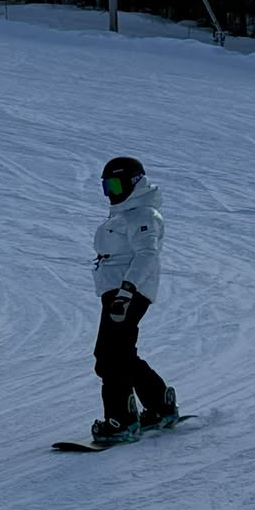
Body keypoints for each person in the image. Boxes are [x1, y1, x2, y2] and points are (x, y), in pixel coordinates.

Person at [89, 154, 177, 445]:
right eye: (107, 187)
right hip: (118, 291)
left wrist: (126, 291)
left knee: (109, 356)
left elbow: (147, 255)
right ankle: (159, 404)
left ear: (134, 183)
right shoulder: (125, 213)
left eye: (116, 185)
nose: (111, 193)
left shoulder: (143, 215)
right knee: (120, 353)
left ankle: (121, 420)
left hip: (128, 291)